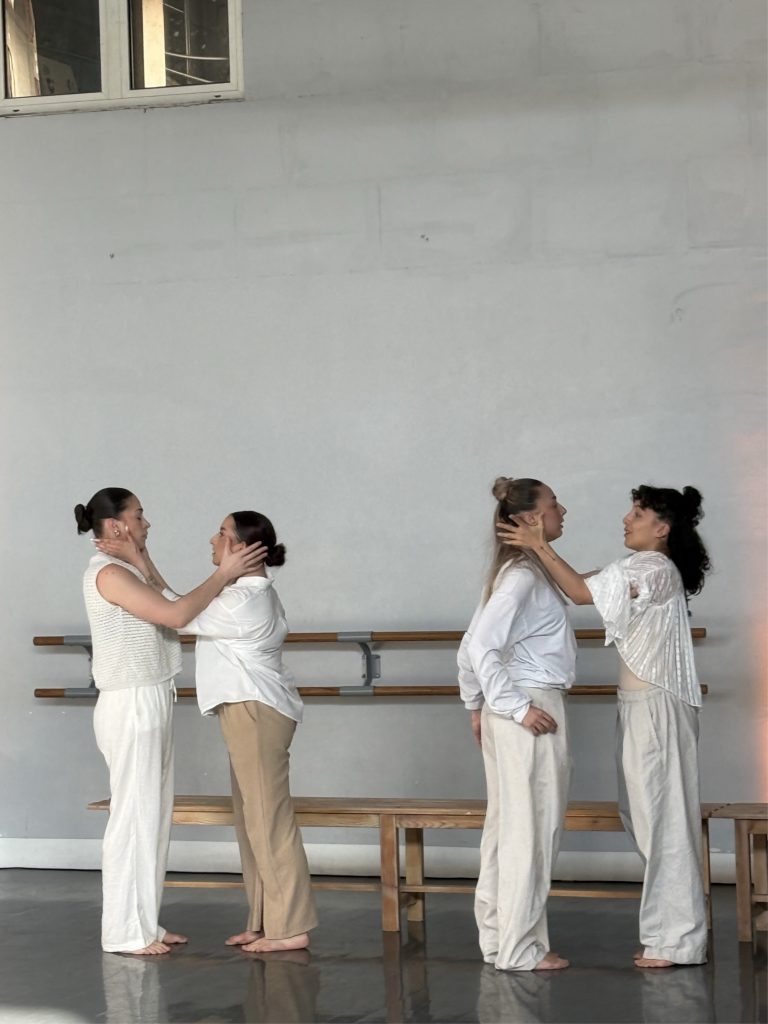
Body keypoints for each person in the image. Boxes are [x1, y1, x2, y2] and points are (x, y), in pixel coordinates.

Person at [498, 484, 711, 968]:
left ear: (663, 529)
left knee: (664, 820)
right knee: (646, 818)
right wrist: (533, 550)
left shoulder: (654, 569)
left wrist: (538, 543)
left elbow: (578, 591)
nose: (626, 519)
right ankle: (669, 934)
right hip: (640, 707)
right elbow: (576, 587)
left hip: (658, 707)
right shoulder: (636, 567)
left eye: (637, 513)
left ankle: (678, 939)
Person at [102, 509, 318, 954]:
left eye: (221, 533)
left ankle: (291, 927)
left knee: (268, 820)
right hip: (248, 711)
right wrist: (142, 561)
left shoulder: (244, 601)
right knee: (252, 819)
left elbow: (176, 614)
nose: (212, 540)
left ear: (241, 548)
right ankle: (265, 922)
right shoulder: (239, 594)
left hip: (255, 711)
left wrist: (142, 562)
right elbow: (177, 602)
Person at [76, 487, 264, 955]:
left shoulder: (126, 569)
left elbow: (167, 599)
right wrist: (223, 574)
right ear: (117, 525)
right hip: (131, 703)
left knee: (153, 817)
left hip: (150, 697)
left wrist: (142, 556)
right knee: (133, 817)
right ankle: (123, 932)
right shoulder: (109, 574)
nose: (147, 523)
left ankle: (143, 924)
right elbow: (177, 614)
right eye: (139, 515)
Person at [458, 477, 575, 972]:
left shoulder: (515, 573)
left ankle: (499, 941)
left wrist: (478, 704)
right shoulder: (523, 576)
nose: (562, 511)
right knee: (532, 828)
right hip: (531, 708)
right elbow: (481, 645)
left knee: (507, 828)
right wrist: (514, 707)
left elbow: (470, 646)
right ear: (530, 519)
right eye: (554, 505)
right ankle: (521, 948)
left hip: (511, 708)